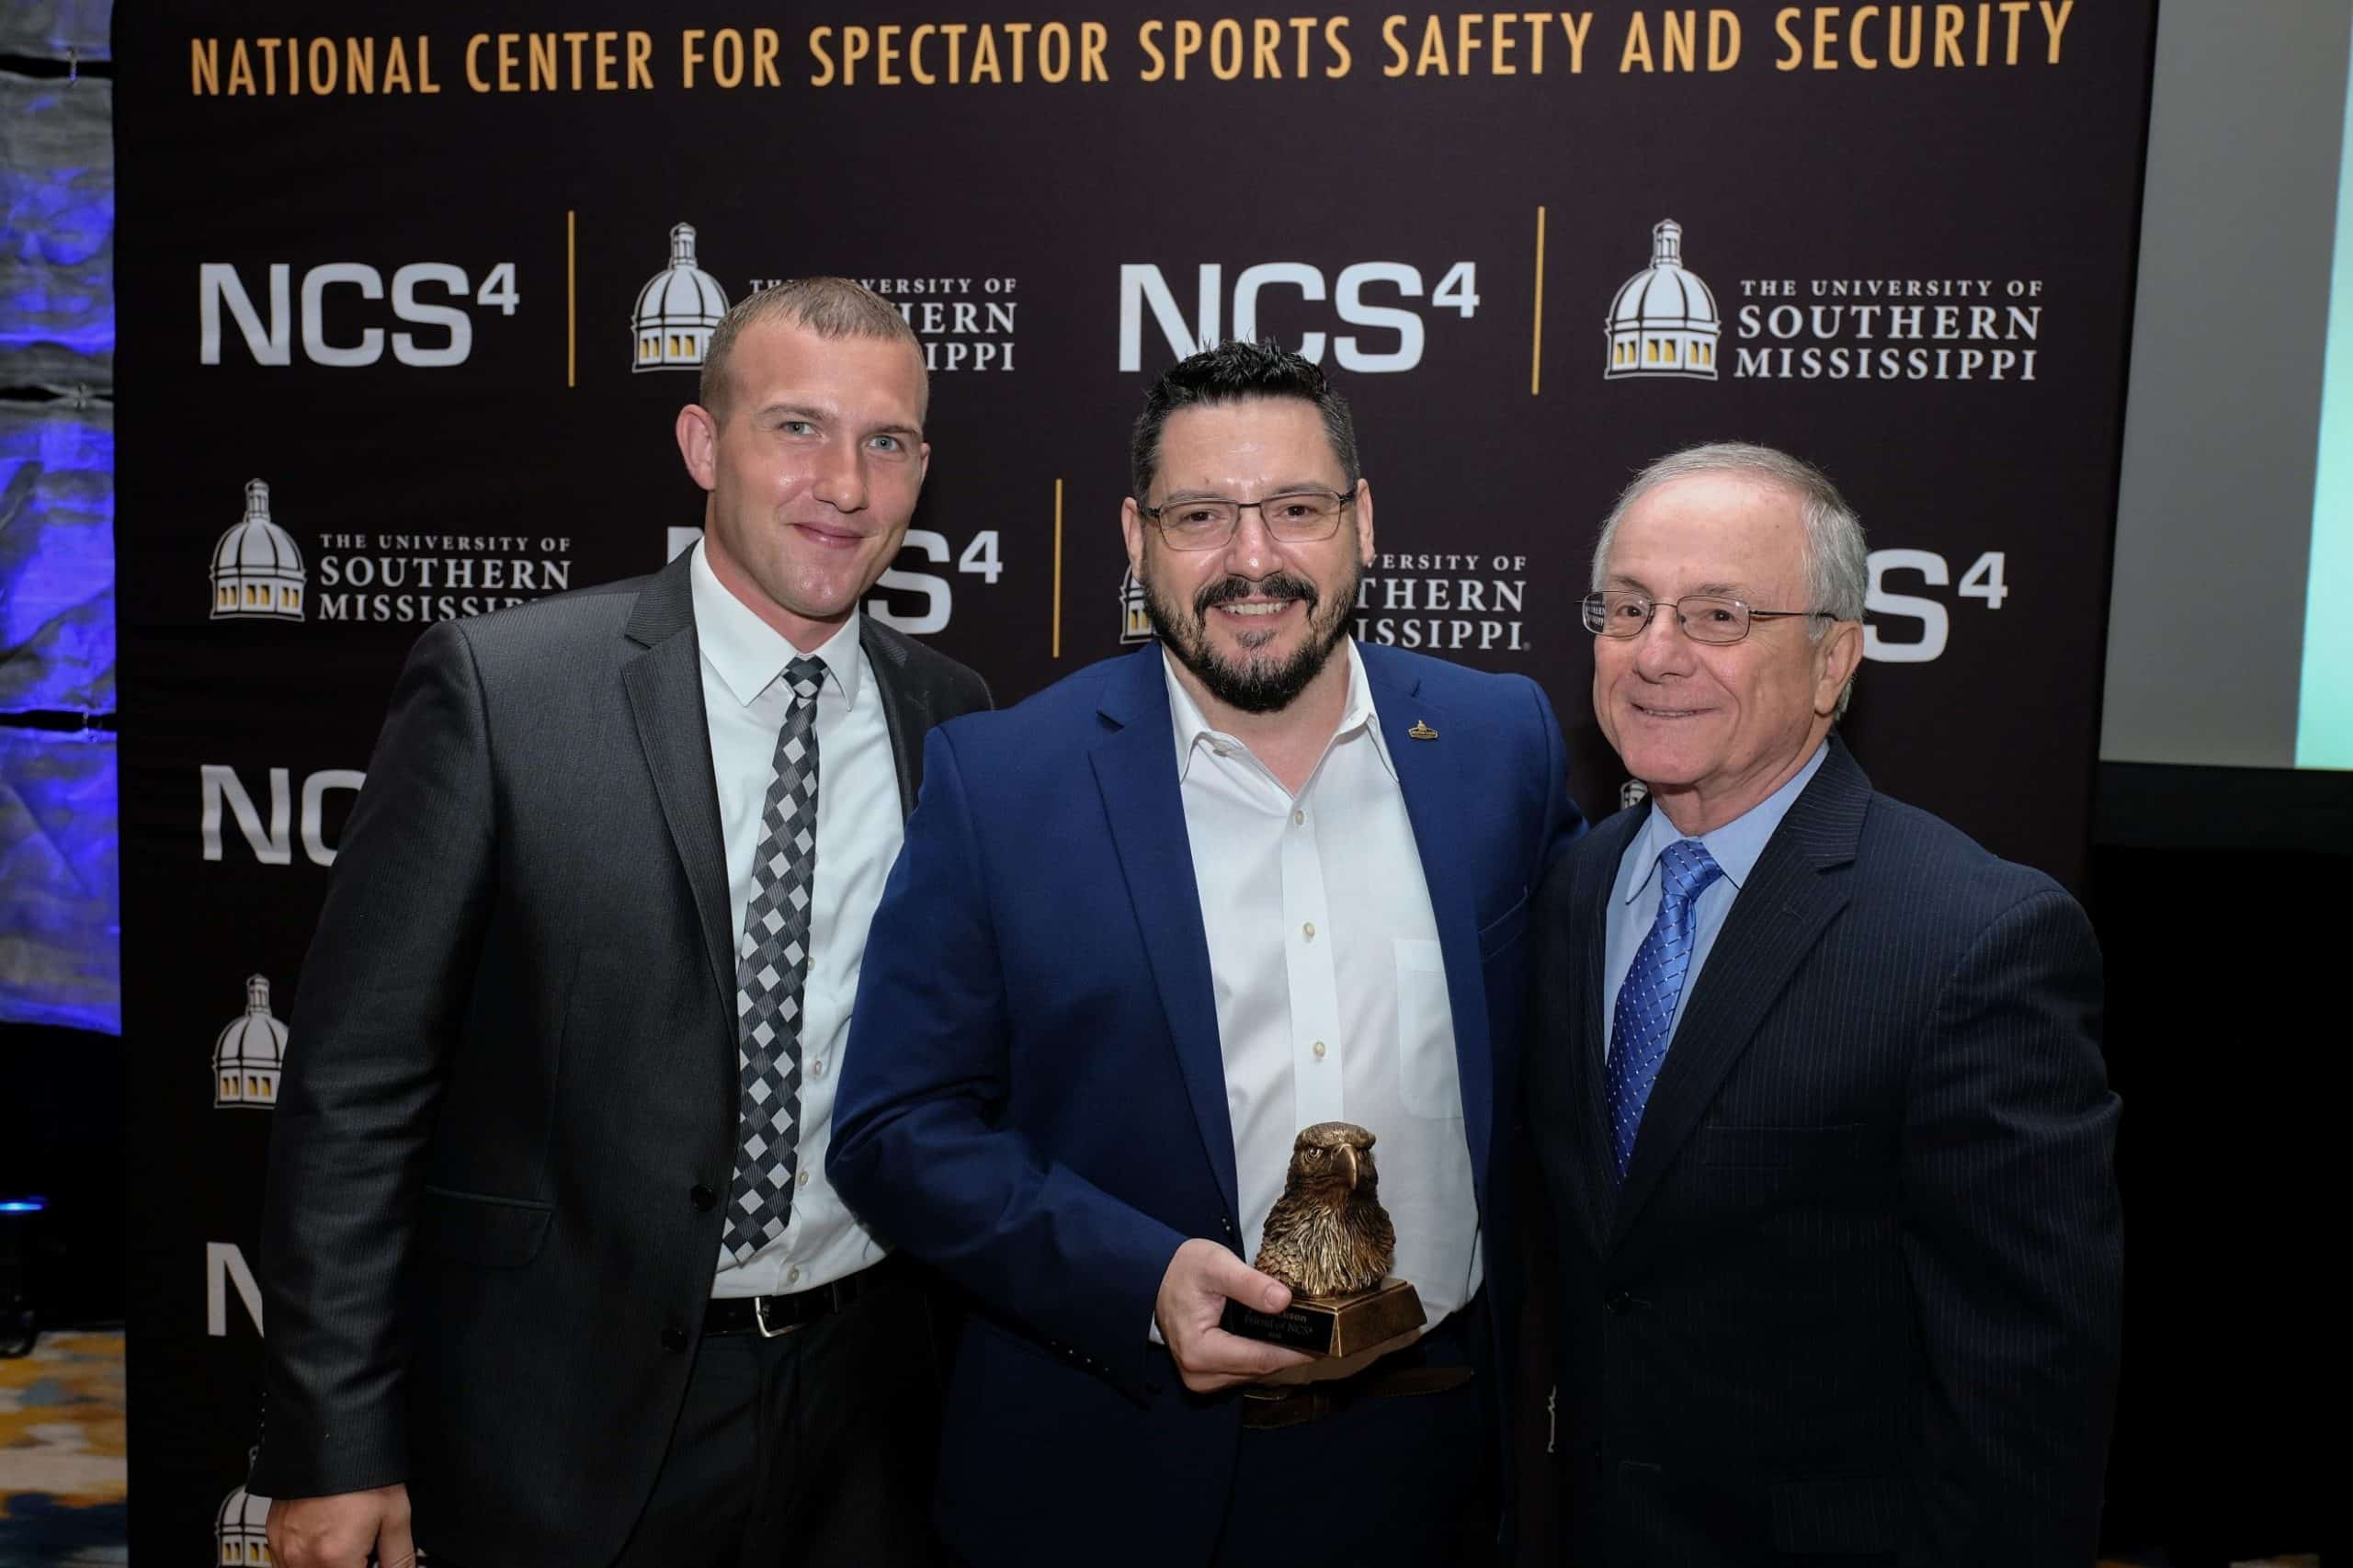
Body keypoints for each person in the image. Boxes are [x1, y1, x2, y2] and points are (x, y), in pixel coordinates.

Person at [251, 278, 991, 1568]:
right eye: (797, 428)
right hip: (563, 1429)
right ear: (705, 446)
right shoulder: (506, 690)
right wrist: (333, 1443)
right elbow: (356, 1089)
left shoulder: (956, 715)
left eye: (888, 442)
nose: (846, 483)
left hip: (873, 1415)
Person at [829, 340, 1585, 1566]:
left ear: (1364, 522)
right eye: (1200, 516)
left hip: (1439, 1458)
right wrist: (1138, 1278)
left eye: (1296, 508)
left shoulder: (1500, 745)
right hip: (1114, 1471)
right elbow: (894, 1128)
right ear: (1133, 537)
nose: (1252, 560)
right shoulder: (1005, 781)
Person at [1525, 441, 2121, 1565]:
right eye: (1627, 607)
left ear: (1833, 659)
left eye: (1717, 616)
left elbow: (2026, 1381)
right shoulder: (1568, 889)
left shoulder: (1974, 938)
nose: (1655, 654)